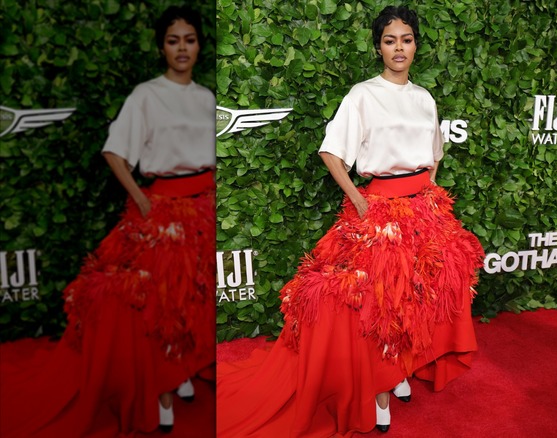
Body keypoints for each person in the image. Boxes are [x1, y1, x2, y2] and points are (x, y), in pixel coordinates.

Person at [217, 5, 484, 436]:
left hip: (424, 214)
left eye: (407, 39)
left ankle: (400, 371)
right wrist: (360, 200)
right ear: (378, 47)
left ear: (416, 45)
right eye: (390, 40)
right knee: (381, 303)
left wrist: (428, 188)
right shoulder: (363, 95)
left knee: (418, 297)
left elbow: (435, 152)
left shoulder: (424, 98)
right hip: (379, 214)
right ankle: (378, 392)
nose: (399, 48)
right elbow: (330, 151)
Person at [0, 6, 215, 436]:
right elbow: (115, 152)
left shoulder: (207, 98)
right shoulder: (145, 95)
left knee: (196, 300)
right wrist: (140, 198)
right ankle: (163, 391)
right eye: (173, 41)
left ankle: (184, 372)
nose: (181, 48)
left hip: (205, 211)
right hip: (163, 213)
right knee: (162, 305)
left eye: (189, 39)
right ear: (161, 47)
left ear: (198, 46)